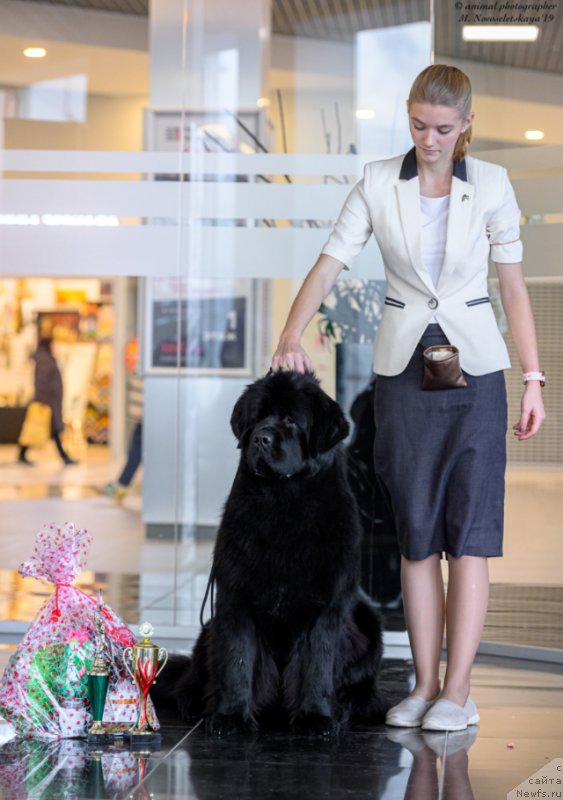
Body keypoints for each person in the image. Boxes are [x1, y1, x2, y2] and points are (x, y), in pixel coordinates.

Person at [271, 64, 545, 732]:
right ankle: (423, 687)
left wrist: (534, 378)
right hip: (403, 372)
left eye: (443, 129)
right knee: (416, 534)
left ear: (466, 124)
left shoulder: (491, 184)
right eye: (419, 125)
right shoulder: (376, 182)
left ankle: (458, 691)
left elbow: (511, 287)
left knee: (469, 534)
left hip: (474, 370)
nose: (429, 139)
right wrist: (290, 331)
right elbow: (330, 261)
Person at [18, 336, 78, 466]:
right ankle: (64, 457)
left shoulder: (45, 358)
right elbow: (41, 381)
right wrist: (42, 401)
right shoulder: (45, 360)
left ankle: (23, 453)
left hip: (49, 402)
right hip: (47, 403)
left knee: (48, 431)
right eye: (53, 344)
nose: (55, 347)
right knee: (51, 431)